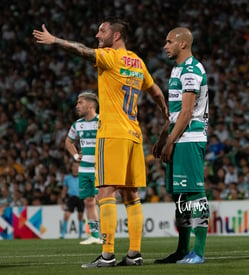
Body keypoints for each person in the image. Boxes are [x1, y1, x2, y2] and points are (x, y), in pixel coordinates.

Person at [33, 17, 168, 268]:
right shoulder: (137, 62)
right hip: (134, 135)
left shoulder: (110, 56)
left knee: (105, 192)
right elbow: (157, 92)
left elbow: (82, 50)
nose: (97, 35)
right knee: (131, 194)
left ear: (116, 36)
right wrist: (167, 115)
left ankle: (107, 255)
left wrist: (56, 41)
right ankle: (135, 253)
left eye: (102, 31)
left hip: (113, 134)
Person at [153, 27, 209, 264]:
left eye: (168, 42)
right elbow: (175, 113)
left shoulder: (191, 70)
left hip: (190, 138)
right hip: (179, 137)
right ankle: (182, 249)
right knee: (181, 197)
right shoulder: (177, 69)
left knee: (195, 194)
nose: (165, 46)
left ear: (183, 44)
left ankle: (199, 251)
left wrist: (171, 141)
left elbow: (187, 113)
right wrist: (162, 136)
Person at [65, 91, 101, 245]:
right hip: (84, 168)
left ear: (91, 105)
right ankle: (94, 235)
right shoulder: (77, 124)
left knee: (103, 200)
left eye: (80, 103)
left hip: (100, 168)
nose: (77, 106)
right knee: (88, 201)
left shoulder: (102, 121)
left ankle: (106, 235)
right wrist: (75, 156)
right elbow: (68, 141)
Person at [60, 162, 84, 239]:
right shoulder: (67, 178)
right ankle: (63, 235)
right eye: (74, 166)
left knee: (80, 216)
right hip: (71, 198)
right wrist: (63, 199)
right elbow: (64, 189)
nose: (76, 168)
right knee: (66, 215)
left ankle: (80, 235)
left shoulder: (82, 176)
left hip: (80, 197)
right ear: (72, 167)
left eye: (77, 166)